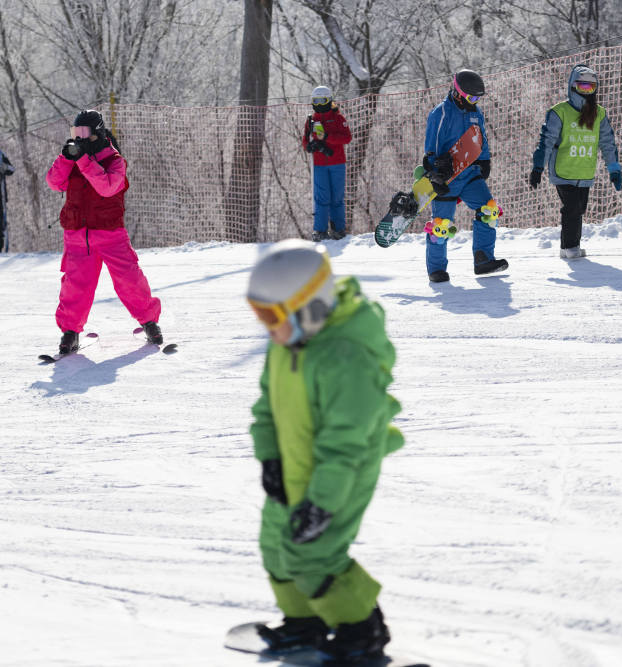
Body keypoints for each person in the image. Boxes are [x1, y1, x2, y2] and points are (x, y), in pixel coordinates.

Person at [246, 239, 404, 664]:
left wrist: (323, 502)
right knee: (277, 546)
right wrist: (271, 458)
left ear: (310, 307)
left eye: (271, 316)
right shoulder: (286, 344)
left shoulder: (344, 357)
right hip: (294, 463)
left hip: (342, 472)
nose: (267, 328)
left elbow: (347, 445)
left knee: (314, 553)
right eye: (260, 315)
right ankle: (305, 622)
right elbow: (266, 406)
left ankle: (361, 629)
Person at [45, 109, 163, 354]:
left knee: (130, 278)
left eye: (84, 132)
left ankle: (150, 323)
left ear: (97, 132)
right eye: (75, 132)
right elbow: (54, 182)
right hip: (78, 235)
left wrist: (85, 161)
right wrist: (66, 158)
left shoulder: (115, 161)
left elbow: (107, 187)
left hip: (110, 233)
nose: (78, 137)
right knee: (75, 285)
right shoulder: (75, 160)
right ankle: (70, 333)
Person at [422, 69, 507, 283]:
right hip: (446, 177)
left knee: (489, 209)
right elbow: (431, 146)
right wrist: (434, 174)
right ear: (458, 92)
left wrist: (485, 160)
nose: (475, 102)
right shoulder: (441, 113)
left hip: (469, 173)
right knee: (442, 224)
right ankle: (436, 269)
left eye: (478, 98)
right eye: (472, 97)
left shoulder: (476, 113)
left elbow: (481, 139)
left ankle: (483, 259)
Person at [530, 64, 622, 258]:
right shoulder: (559, 112)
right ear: (573, 86)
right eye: (582, 87)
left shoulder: (599, 114)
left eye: (591, 87)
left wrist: (613, 168)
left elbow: (607, 142)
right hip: (563, 170)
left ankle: (568, 247)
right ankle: (571, 246)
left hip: (584, 172)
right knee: (571, 208)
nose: (586, 91)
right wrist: (538, 167)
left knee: (579, 209)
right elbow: (546, 140)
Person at [302, 86, 352, 242]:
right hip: (319, 164)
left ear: (328, 100)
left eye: (321, 100)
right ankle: (320, 230)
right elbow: (305, 139)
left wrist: (327, 138)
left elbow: (346, 138)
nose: (318, 104)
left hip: (337, 162)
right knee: (321, 197)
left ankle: (338, 228)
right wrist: (309, 146)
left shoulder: (338, 118)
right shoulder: (311, 120)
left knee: (336, 197)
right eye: (315, 101)